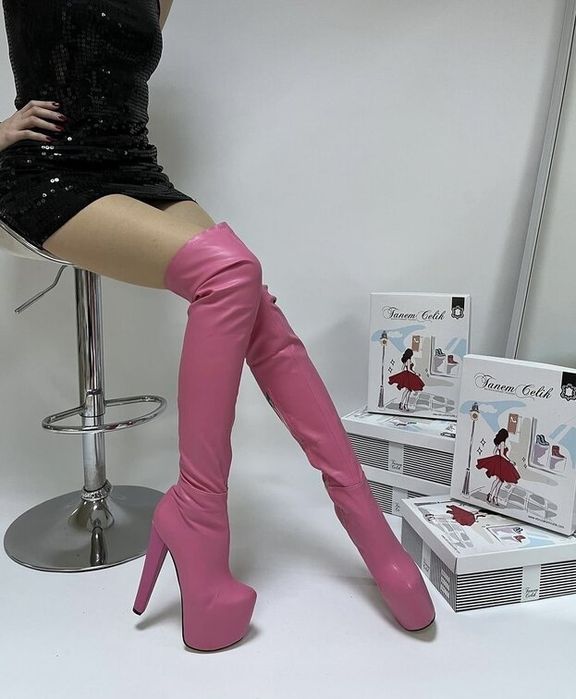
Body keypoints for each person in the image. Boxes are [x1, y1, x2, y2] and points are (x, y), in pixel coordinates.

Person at [0, 0, 435, 651]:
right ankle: (200, 520)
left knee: (252, 297)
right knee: (230, 272)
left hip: (135, 170)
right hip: (45, 174)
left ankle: (370, 531)